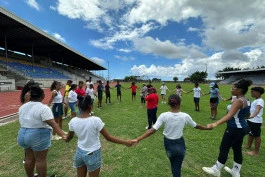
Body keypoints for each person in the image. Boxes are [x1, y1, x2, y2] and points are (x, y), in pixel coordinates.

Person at [133, 94, 212, 177]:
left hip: (168, 144)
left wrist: (138, 139)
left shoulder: (164, 115)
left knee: (174, 166)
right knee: (176, 166)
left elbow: (153, 130)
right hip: (180, 144)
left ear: (169, 104)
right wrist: (207, 128)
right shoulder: (185, 116)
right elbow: (197, 126)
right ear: (179, 103)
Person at [66, 95, 133, 177]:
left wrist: (65, 138)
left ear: (79, 106)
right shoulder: (95, 120)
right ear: (91, 107)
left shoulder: (73, 121)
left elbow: (69, 137)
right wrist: (125, 142)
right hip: (92, 153)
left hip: (79, 153)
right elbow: (108, 138)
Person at [202, 79, 252, 177]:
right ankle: (236, 171)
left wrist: (215, 124)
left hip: (234, 129)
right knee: (237, 148)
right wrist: (240, 117)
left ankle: (216, 169)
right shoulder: (247, 100)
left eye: (233, 88)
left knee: (224, 148)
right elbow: (248, 115)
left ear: (239, 90)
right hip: (242, 128)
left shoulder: (238, 101)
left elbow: (229, 116)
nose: (231, 90)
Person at [17, 85, 66, 177]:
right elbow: (52, 123)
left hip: (23, 134)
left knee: (29, 158)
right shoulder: (43, 108)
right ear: (42, 96)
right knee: (40, 159)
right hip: (37, 135)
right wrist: (63, 135)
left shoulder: (23, 107)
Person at [245, 87, 264, 156]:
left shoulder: (260, 101)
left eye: (253, 91)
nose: (251, 93)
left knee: (256, 135)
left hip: (255, 121)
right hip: (251, 120)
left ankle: (256, 152)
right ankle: (248, 146)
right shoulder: (256, 100)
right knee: (251, 133)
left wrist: (253, 116)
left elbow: (257, 109)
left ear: (258, 93)